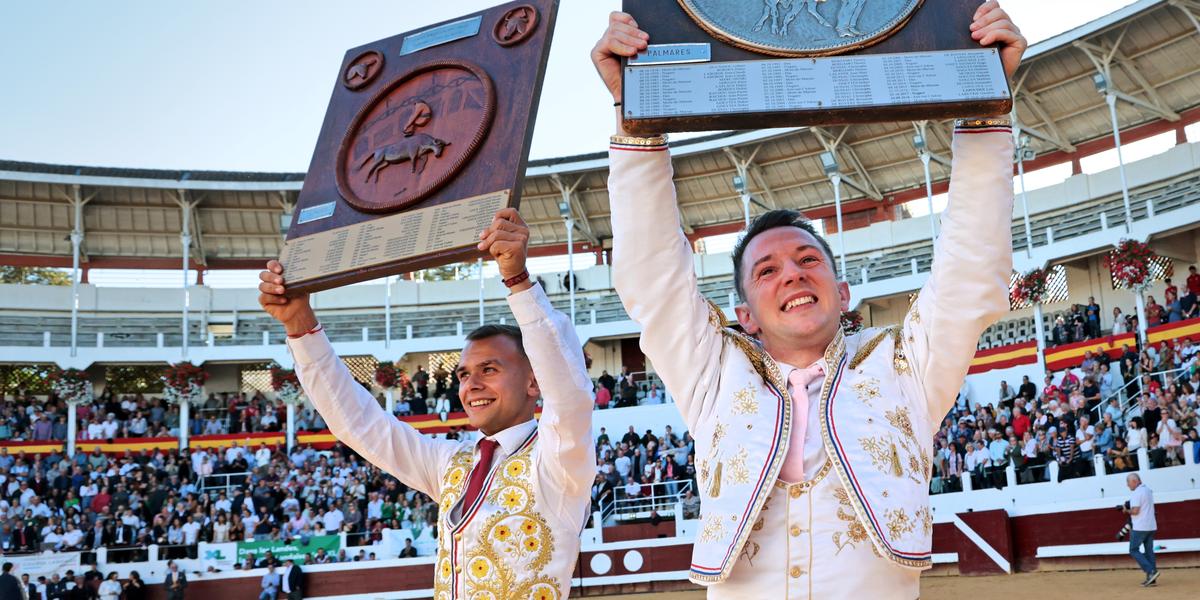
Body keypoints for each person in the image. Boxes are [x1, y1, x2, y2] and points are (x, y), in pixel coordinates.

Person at [593, 2, 1026, 595]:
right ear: (743, 315)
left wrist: (986, 106)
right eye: (766, 270)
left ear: (842, 293)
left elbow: (970, 270)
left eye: (808, 260)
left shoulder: (903, 370)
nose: (792, 276)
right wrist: (632, 113)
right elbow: (653, 279)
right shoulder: (714, 376)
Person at [259, 208, 596, 599]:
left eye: (489, 369)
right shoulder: (452, 463)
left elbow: (569, 396)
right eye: (464, 374)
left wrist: (518, 282)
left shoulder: (557, 462)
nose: (471, 385)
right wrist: (300, 324)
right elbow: (360, 424)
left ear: (533, 381)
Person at [1124, 473, 1159, 586]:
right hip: (1151, 525)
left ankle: (1151, 571)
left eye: (1128, 483)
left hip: (1140, 526)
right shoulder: (1148, 490)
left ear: (1134, 481)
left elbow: (1135, 511)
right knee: (1149, 551)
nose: (1128, 486)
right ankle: (1151, 578)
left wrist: (1126, 511)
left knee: (1133, 550)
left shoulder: (1137, 493)